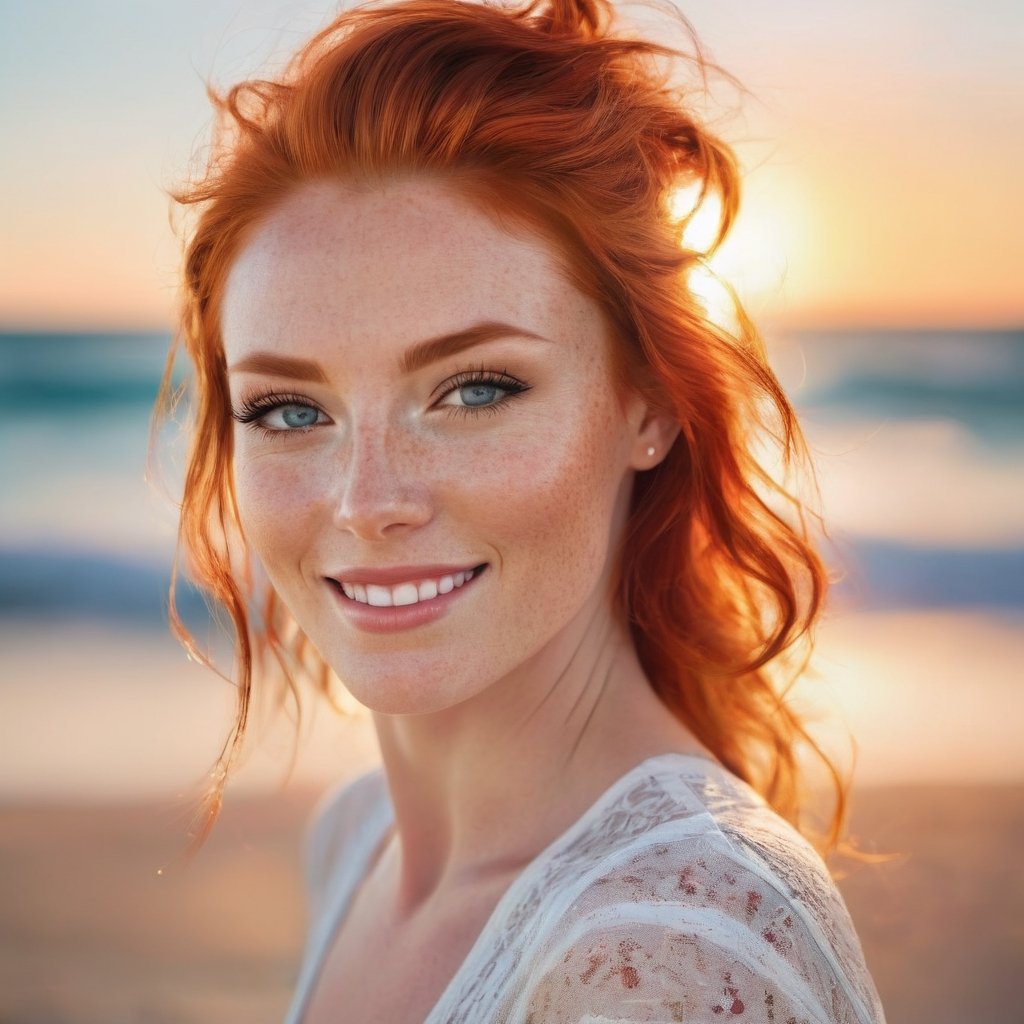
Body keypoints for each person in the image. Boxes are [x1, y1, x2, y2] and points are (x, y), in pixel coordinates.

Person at [162, 0, 887, 1020]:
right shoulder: (356, 840)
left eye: (475, 390)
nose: (366, 501)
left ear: (652, 404)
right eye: (288, 408)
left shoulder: (664, 953)